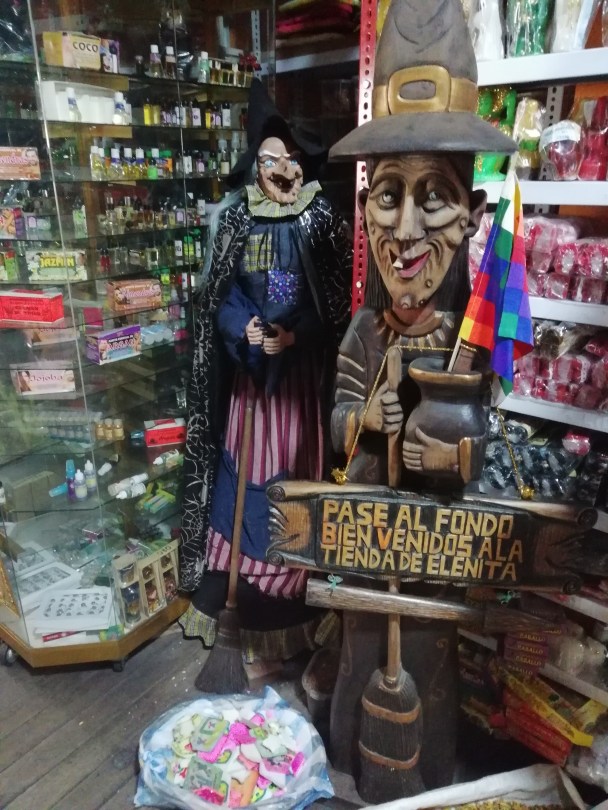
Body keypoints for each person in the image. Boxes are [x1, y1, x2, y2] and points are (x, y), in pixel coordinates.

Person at [325, 0, 515, 790]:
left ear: (472, 216)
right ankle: (346, 752)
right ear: (365, 207)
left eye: (433, 196)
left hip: (434, 551)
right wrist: (365, 419)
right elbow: (337, 420)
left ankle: (428, 774)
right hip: (367, 542)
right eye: (388, 195)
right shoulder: (362, 334)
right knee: (359, 649)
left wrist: (454, 452)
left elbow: (485, 444)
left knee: (432, 664)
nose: (405, 231)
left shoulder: (470, 340)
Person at [179, 79, 352, 667]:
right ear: (256, 164)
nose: (282, 170)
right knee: (243, 470)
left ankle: (285, 575)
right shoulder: (236, 220)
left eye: (291, 159)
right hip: (250, 385)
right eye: (271, 158)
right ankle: (236, 573)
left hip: (295, 391)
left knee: (287, 473)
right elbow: (223, 297)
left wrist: (293, 334)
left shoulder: (318, 220)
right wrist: (244, 328)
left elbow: (329, 304)